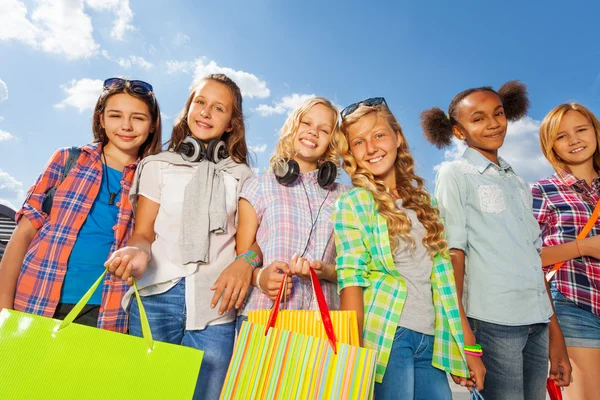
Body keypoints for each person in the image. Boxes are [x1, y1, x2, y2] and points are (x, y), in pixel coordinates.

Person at [105, 73, 254, 400]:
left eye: (218, 108)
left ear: (231, 123)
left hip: (216, 302)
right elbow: (143, 234)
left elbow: (249, 244)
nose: (206, 112)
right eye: (200, 102)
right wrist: (136, 251)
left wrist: (247, 261)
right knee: (147, 392)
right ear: (188, 109)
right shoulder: (157, 165)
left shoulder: (242, 175)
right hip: (157, 295)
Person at [422, 81, 572, 400]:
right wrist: (463, 335)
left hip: (536, 320)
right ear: (458, 131)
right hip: (492, 321)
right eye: (477, 118)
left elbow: (535, 259)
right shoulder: (455, 174)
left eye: (498, 113)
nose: (492, 123)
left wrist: (554, 336)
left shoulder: (519, 183)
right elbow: (453, 253)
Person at [333, 97, 473, 400]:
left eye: (379, 135)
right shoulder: (353, 203)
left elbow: (445, 283)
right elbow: (351, 279)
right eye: (358, 142)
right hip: (385, 335)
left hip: (432, 339)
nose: (371, 148)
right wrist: (352, 353)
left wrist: (463, 347)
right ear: (351, 153)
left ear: (398, 137)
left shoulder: (427, 204)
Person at [0, 77, 162, 332]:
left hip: (110, 314)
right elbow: (22, 235)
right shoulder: (67, 159)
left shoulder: (156, 177)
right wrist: (3, 309)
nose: (126, 126)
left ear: (152, 125)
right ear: (101, 119)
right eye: (116, 115)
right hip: (35, 300)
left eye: (138, 118)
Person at [237, 97, 347, 328]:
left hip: (322, 322)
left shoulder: (344, 197)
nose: (312, 132)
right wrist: (260, 278)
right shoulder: (259, 186)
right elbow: (242, 259)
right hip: (262, 316)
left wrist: (325, 272)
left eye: (323, 129)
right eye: (306, 123)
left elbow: (355, 269)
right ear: (292, 127)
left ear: (332, 141)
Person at [532, 102, 600, 400]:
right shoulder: (542, 191)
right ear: (551, 146)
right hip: (575, 307)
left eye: (581, 130)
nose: (574, 140)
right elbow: (524, 258)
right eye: (561, 135)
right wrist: (583, 247)